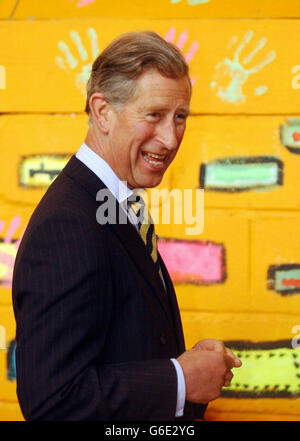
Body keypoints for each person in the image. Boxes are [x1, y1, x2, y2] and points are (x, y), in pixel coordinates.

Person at [12, 31, 241, 421]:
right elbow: (52, 403)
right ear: (102, 111)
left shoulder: (114, 201)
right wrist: (180, 380)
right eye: (153, 115)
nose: (170, 139)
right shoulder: (68, 224)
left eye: (180, 117)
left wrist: (183, 367)